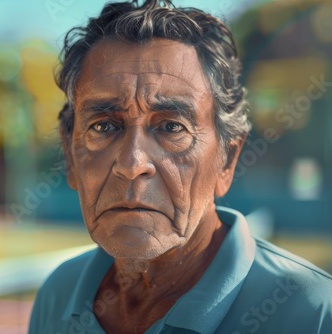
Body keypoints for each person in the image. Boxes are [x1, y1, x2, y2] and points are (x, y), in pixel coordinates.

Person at [29, 0, 332, 333]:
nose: (132, 164)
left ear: (227, 160)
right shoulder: (59, 295)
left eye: (172, 127)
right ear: (70, 156)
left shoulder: (313, 313)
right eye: (103, 126)